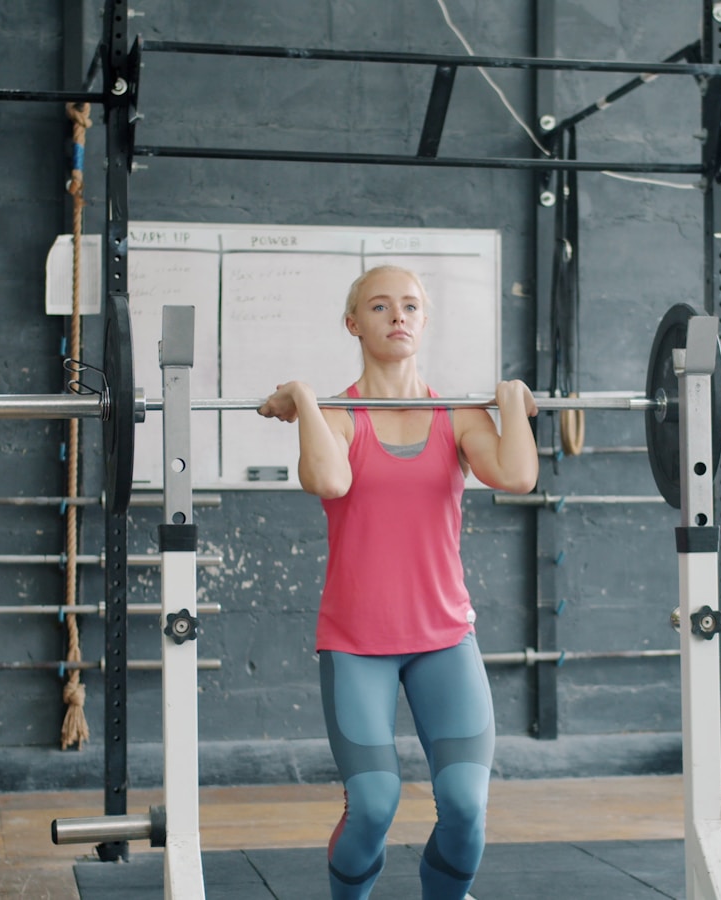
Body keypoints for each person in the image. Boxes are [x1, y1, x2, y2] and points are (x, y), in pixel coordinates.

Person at [258, 264, 538, 899]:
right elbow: (329, 482)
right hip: (357, 646)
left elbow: (518, 476)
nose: (399, 317)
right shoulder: (337, 417)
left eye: (411, 306)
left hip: (443, 641)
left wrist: (513, 397)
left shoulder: (459, 414)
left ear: (425, 319)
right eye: (381, 307)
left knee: (466, 805)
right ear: (354, 324)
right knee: (375, 804)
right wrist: (303, 396)